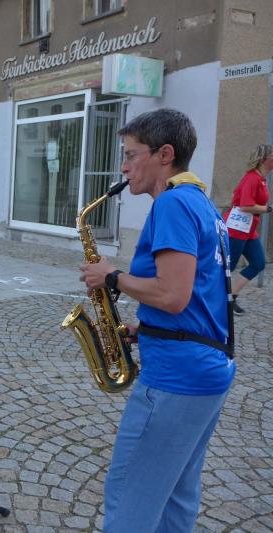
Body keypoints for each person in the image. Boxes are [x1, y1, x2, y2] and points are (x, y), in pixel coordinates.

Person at [79, 108, 234, 532]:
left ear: (165, 154)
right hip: (207, 369)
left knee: (129, 499)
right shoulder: (201, 203)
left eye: (131, 155)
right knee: (176, 497)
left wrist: (111, 276)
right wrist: (147, 329)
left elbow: (172, 294)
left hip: (176, 378)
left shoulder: (172, 204)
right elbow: (200, 296)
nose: (124, 167)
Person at [223, 143, 272, 315]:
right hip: (236, 228)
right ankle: (214, 300)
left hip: (248, 229)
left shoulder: (261, 179)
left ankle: (231, 297)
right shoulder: (252, 178)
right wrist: (268, 209)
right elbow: (245, 205)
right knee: (228, 267)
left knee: (258, 262)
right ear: (264, 159)